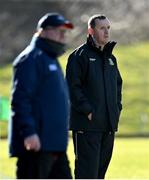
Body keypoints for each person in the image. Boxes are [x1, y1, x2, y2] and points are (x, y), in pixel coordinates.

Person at [9, 12, 73, 179]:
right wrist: (29, 132)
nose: (62, 35)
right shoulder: (31, 58)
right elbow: (21, 99)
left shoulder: (50, 59)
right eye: (58, 31)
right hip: (37, 147)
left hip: (55, 146)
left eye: (64, 32)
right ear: (43, 32)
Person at [66, 14, 123, 179]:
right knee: (87, 175)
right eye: (102, 28)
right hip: (87, 126)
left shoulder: (111, 59)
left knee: (99, 175)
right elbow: (72, 88)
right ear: (91, 31)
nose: (106, 32)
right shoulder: (79, 56)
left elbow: (118, 88)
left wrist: (116, 110)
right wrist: (88, 110)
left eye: (108, 28)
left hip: (108, 127)